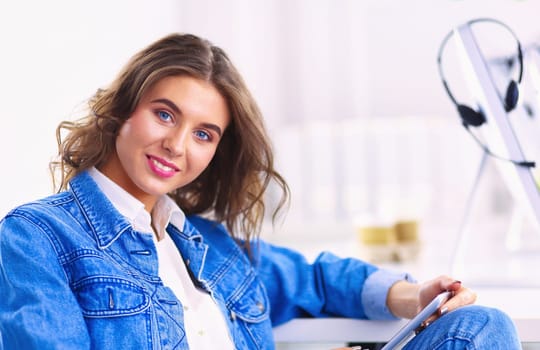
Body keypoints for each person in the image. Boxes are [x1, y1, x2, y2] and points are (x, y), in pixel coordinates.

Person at [0, 33, 520, 350]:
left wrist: (413, 296)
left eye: (204, 134)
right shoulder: (39, 236)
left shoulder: (207, 246)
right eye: (165, 113)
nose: (177, 145)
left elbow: (315, 279)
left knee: (479, 329)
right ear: (122, 110)